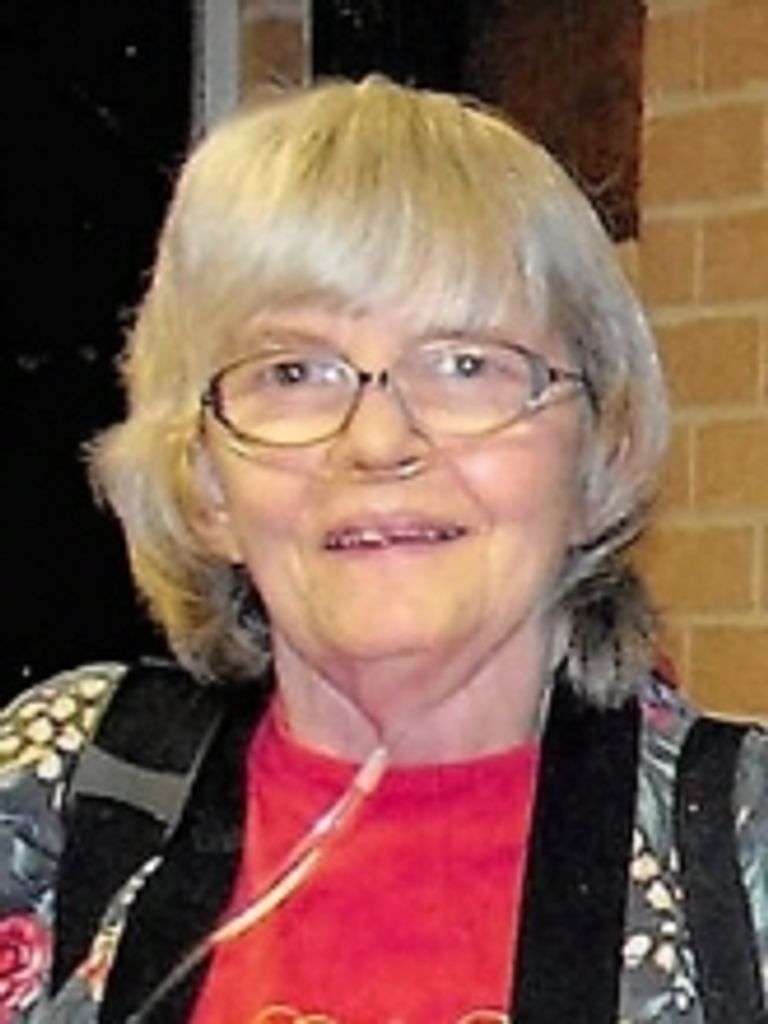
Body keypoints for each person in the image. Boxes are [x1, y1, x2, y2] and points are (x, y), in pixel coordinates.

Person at [0, 76, 766, 1024]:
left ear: (596, 448)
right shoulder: (53, 799)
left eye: (465, 365)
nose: (377, 442)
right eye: (294, 373)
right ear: (203, 480)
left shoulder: (744, 850)